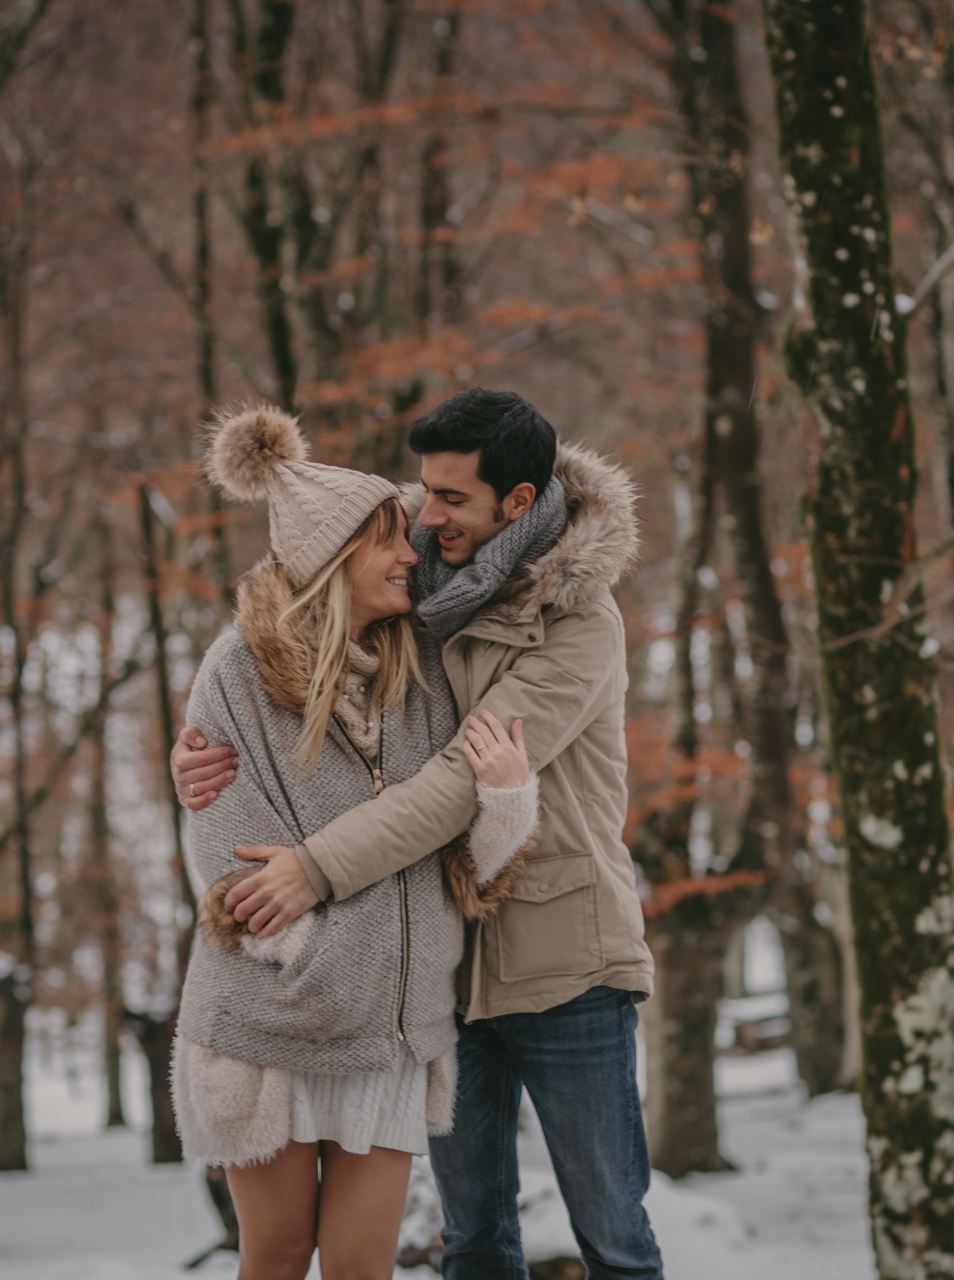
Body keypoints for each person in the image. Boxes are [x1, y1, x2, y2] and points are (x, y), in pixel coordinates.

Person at [174, 389, 664, 1280]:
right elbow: (318, 574)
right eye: (417, 500)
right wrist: (199, 768)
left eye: (446, 500)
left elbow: (450, 788)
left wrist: (315, 872)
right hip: (432, 983)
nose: (423, 521)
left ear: (517, 503)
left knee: (614, 1240)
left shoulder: (577, 622)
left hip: (560, 961)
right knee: (471, 1242)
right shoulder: (430, 589)